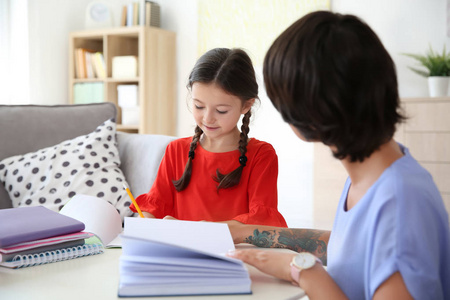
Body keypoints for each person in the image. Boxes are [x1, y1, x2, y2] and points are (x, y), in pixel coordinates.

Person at [227, 11, 450, 299]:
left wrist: (304, 271)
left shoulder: (399, 203)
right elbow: (349, 248)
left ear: (312, 114)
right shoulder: (375, 173)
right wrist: (245, 233)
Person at [130, 47, 287, 227]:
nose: (208, 118)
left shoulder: (261, 155)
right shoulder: (176, 150)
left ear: (246, 105)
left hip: (235, 254)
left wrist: (202, 230)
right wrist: (144, 229)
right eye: (199, 106)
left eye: (221, 110)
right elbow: (155, 207)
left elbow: (261, 222)